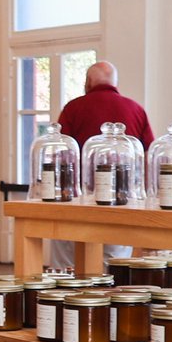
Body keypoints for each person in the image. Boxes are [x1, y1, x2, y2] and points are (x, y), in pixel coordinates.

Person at [52, 61, 154, 269]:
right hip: (121, 197)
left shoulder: (73, 108)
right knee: (114, 258)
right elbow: (148, 155)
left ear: (89, 82)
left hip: (79, 197)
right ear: (115, 82)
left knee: (67, 255)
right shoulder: (136, 109)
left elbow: (60, 152)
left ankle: (67, 295)